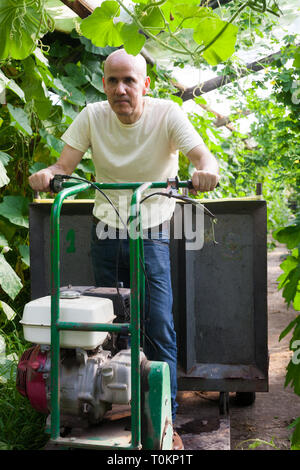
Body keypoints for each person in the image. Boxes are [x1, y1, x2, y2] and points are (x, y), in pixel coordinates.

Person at [29, 49, 219, 450]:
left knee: (158, 322)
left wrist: (206, 171)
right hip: (106, 226)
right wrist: (49, 175)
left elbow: (201, 156)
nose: (121, 89)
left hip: (148, 227)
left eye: (129, 80)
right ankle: (108, 400)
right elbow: (64, 166)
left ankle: (164, 416)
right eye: (113, 81)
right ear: (104, 84)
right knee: (108, 322)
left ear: (144, 84)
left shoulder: (167, 114)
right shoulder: (93, 116)